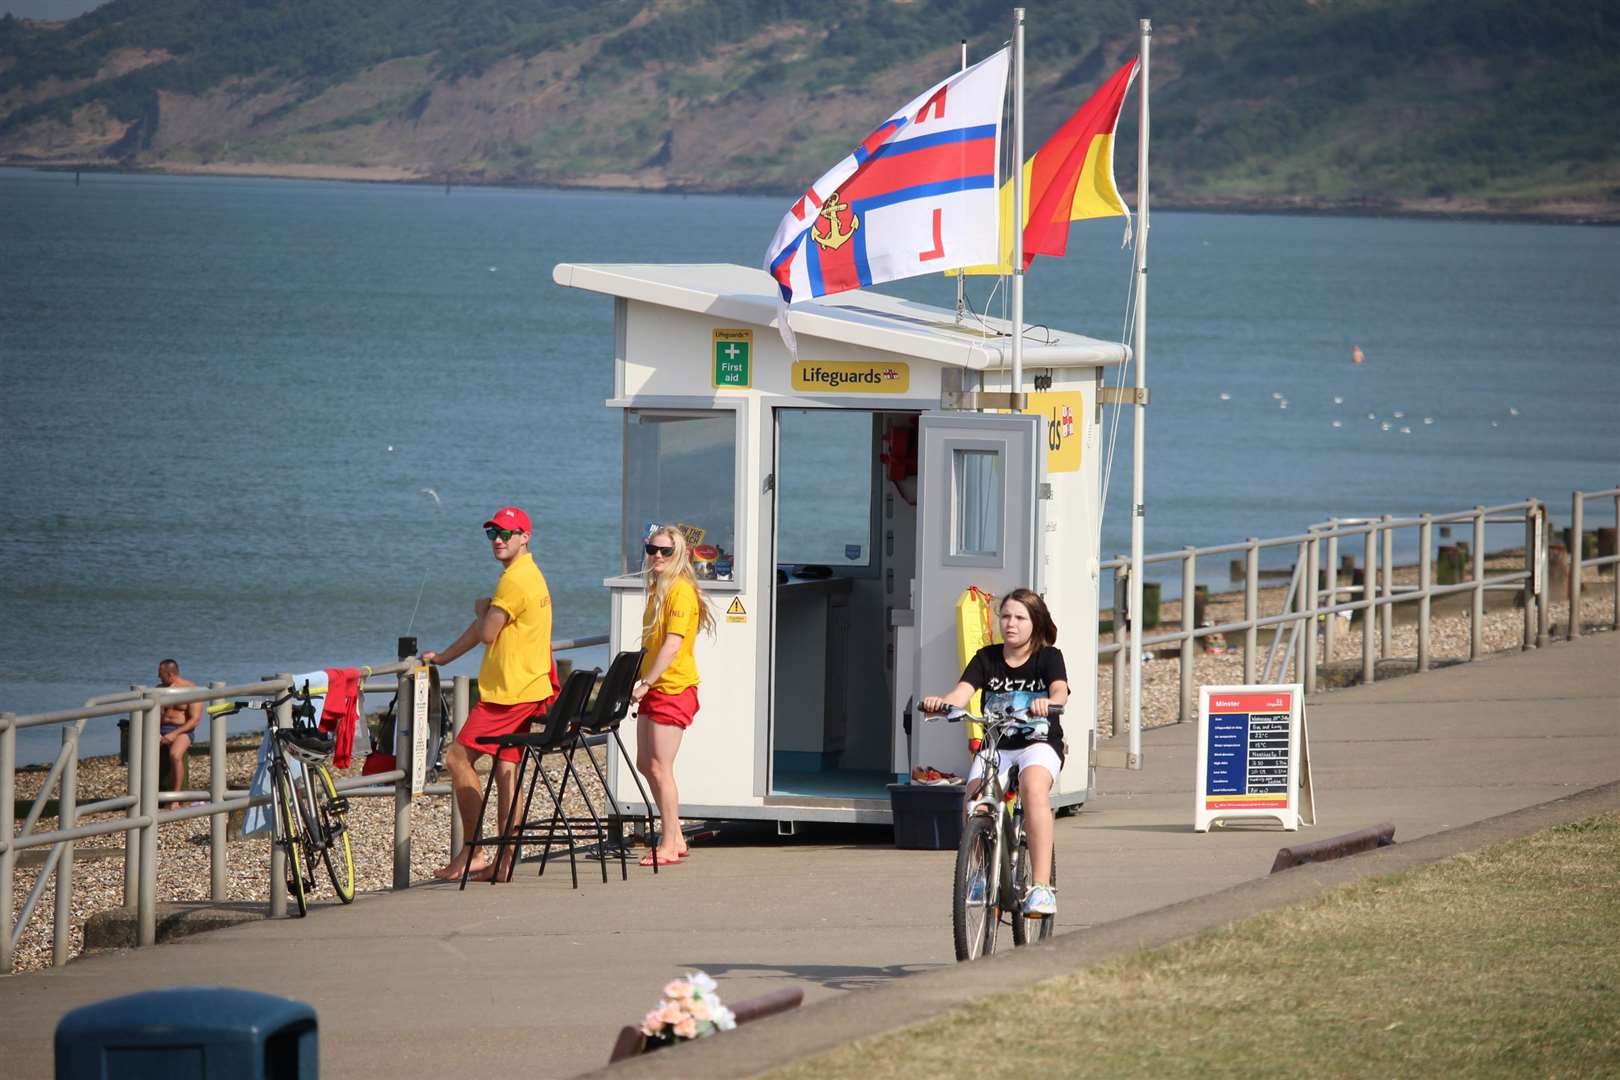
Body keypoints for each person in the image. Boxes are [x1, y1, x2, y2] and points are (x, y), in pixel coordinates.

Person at [422, 506, 555, 882]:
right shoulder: (530, 575)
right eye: (492, 533)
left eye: (507, 533)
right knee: (506, 771)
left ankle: (473, 851)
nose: (498, 539)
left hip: (509, 694)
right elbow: (490, 628)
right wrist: (445, 657)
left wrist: (481, 607)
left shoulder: (514, 582)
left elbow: (487, 633)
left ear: (525, 536)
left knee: (456, 758)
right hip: (529, 688)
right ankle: (504, 860)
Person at [921, 587, 1068, 918]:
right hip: (996, 745)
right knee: (973, 797)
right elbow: (962, 693)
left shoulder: (1048, 657)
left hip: (1039, 744)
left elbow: (1059, 688)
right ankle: (980, 873)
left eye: (1019, 617)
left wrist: (1051, 702)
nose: (1010, 623)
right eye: (1005, 616)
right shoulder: (986, 658)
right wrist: (941, 703)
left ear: (1036, 622)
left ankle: (1041, 887)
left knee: (1032, 789)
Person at [630, 525, 715, 867]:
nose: (657, 557)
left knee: (661, 767)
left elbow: (673, 643)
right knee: (645, 763)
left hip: (674, 687)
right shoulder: (658, 588)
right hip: (656, 685)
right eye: (653, 549)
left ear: (679, 555)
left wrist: (646, 682)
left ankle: (668, 842)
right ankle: (675, 835)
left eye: (666, 551)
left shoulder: (680, 591)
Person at [156, 659, 202, 810]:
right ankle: (147, 796)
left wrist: (174, 734)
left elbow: (194, 720)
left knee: (175, 755)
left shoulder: (191, 689)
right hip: (160, 729)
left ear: (170, 674)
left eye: (160, 674)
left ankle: (175, 797)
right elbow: (153, 713)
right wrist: (155, 732)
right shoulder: (159, 689)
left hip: (182, 730)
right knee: (141, 753)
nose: (158, 677)